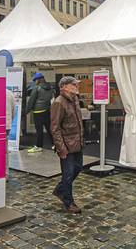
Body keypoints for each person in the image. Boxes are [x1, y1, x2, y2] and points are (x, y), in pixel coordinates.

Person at [51, 76, 84, 214]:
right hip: (66, 145)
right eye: (73, 84)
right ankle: (68, 202)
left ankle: (60, 190)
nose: (76, 86)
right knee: (68, 175)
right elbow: (55, 128)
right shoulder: (59, 103)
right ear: (64, 86)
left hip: (77, 143)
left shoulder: (75, 99)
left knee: (78, 168)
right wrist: (61, 148)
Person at [26, 73, 54, 153]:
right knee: (49, 129)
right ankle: (55, 144)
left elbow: (31, 101)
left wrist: (26, 111)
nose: (35, 82)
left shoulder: (37, 88)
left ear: (38, 80)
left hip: (37, 112)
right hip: (47, 111)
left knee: (39, 131)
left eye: (35, 80)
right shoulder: (50, 87)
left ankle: (39, 146)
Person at [6, 89, 16, 180]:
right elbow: (14, 110)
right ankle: (6, 174)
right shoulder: (9, 93)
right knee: (5, 150)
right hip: (6, 125)